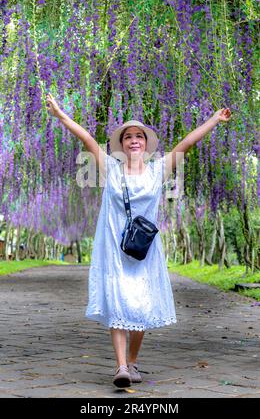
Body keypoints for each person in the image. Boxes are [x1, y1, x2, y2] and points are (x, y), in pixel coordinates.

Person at [46, 92, 231, 388]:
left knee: (141, 307)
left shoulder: (159, 170)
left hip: (144, 250)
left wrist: (214, 119)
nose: (134, 140)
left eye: (139, 137)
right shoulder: (110, 169)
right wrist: (60, 114)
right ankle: (120, 366)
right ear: (121, 144)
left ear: (146, 144)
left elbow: (187, 143)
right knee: (118, 305)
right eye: (128, 136)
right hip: (115, 250)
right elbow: (87, 140)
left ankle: (132, 361)